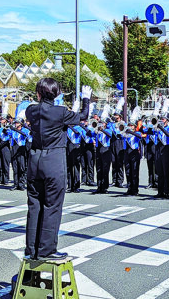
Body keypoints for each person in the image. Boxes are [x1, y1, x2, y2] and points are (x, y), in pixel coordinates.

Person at [23, 79, 91, 259]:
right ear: (57, 94)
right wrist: (85, 99)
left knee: (34, 204)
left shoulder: (31, 110)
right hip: (53, 160)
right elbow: (83, 116)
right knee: (52, 205)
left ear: (38, 93)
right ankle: (46, 250)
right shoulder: (60, 112)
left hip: (35, 159)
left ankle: (31, 249)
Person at [93, 116, 113, 194]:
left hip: (106, 150)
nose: (101, 124)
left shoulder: (108, 130)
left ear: (105, 124)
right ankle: (99, 186)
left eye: (103, 123)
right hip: (98, 150)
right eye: (100, 123)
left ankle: (105, 187)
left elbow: (109, 135)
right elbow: (90, 134)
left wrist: (103, 130)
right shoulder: (97, 131)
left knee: (105, 169)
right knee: (98, 169)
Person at [122, 123, 143, 196]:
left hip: (134, 153)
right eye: (129, 125)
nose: (130, 127)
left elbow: (140, 136)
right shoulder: (125, 133)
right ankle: (129, 188)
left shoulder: (137, 133)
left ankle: (135, 189)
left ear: (134, 126)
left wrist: (131, 132)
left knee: (135, 172)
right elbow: (119, 135)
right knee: (128, 172)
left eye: (132, 125)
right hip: (126, 153)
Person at [11, 119, 31, 190]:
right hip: (14, 149)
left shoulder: (25, 130)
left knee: (21, 167)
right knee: (15, 168)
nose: (15, 124)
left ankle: (21, 184)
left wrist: (16, 130)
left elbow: (26, 135)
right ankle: (15, 184)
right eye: (15, 123)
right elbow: (7, 133)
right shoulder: (13, 130)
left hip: (21, 149)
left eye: (17, 123)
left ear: (21, 124)